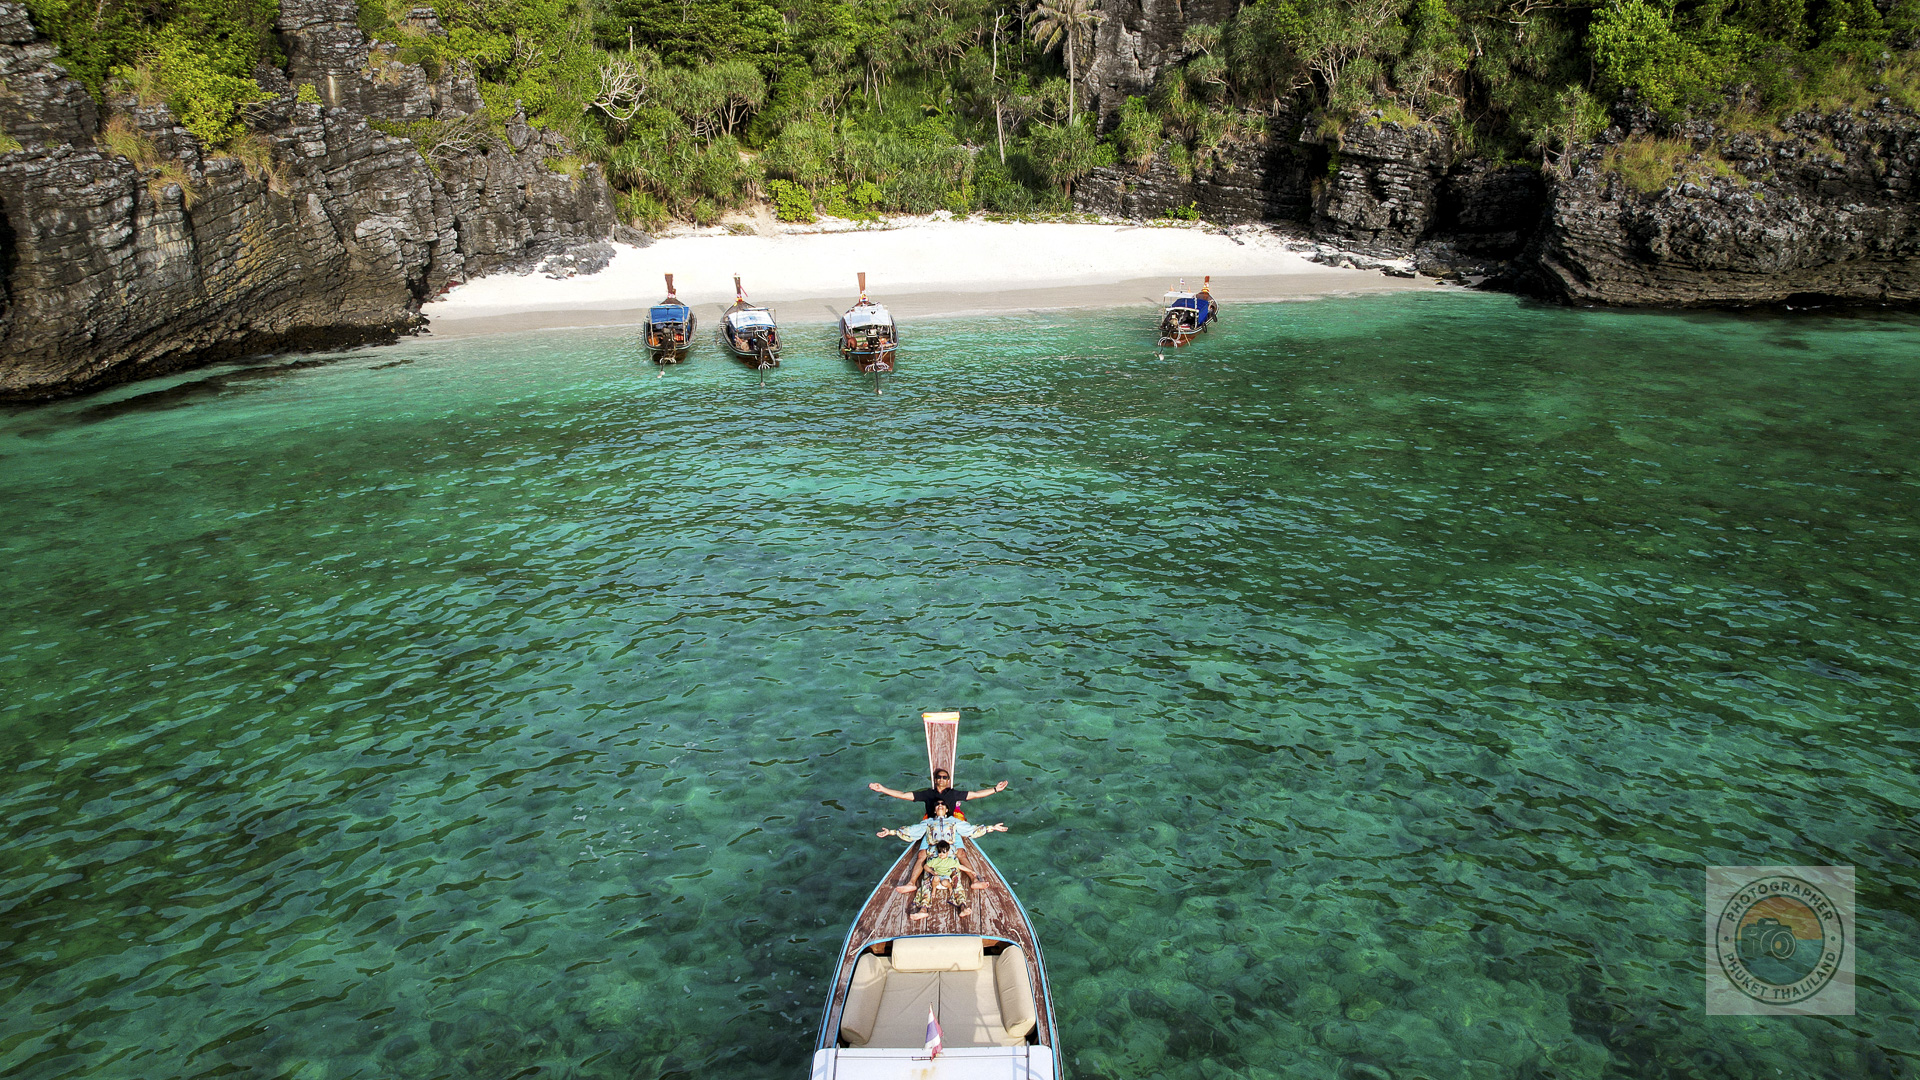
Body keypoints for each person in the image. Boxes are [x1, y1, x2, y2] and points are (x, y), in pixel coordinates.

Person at [868, 767, 1007, 819]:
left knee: (961, 853)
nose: (941, 779)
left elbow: (976, 794)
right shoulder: (928, 794)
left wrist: (995, 789)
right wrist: (883, 789)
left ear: (948, 781)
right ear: (935, 780)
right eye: (939, 777)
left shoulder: (953, 794)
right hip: (932, 821)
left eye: (944, 777)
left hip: (950, 820)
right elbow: (903, 795)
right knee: (922, 855)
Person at [876, 799, 1007, 850]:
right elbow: (912, 830)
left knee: (961, 854)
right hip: (933, 848)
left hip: (949, 848)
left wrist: (992, 828)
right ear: (934, 810)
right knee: (922, 857)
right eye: (937, 805)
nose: (940, 806)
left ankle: (974, 879)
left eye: (943, 805)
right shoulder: (928, 822)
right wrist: (891, 832)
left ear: (947, 809)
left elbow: (971, 830)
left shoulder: (953, 820)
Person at [903, 840, 975, 921]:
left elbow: (960, 866)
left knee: (954, 884)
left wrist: (971, 871)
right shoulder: (935, 860)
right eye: (940, 852)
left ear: (948, 853)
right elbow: (925, 866)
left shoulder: (951, 861)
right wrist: (932, 872)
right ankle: (923, 910)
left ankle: (962, 907)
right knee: (932, 881)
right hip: (936, 880)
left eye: (943, 852)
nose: (941, 854)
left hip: (946, 880)